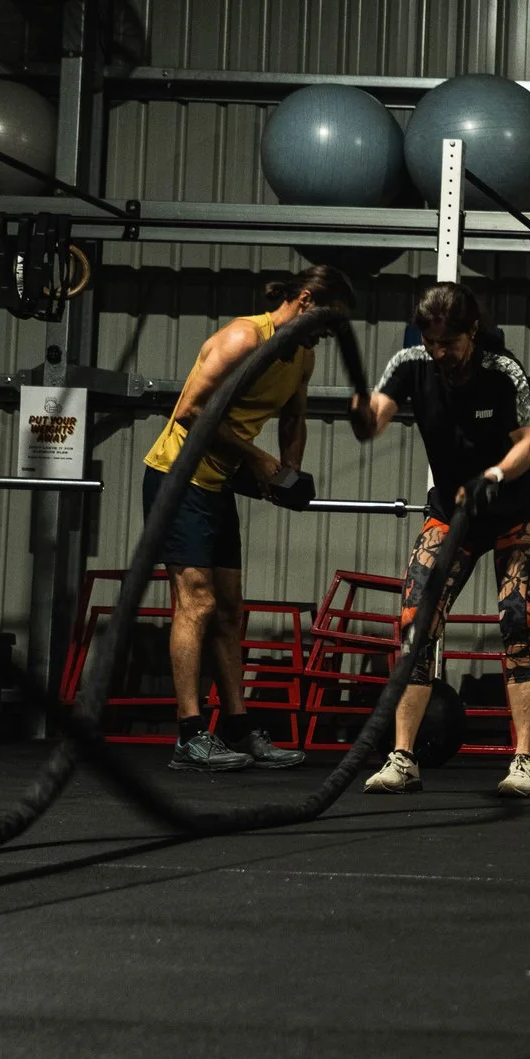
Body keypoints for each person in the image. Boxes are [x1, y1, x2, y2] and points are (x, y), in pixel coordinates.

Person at [138, 264, 354, 772]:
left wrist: (289, 473)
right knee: (197, 601)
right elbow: (189, 411)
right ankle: (190, 736)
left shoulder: (302, 356)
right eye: (325, 322)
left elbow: (294, 418)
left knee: (230, 610)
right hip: (177, 476)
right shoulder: (241, 337)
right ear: (303, 301)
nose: (326, 335)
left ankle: (237, 727)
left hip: (217, 484)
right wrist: (260, 462)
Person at [350, 282, 530, 799]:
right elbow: (376, 417)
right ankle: (402, 759)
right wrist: (363, 414)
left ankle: (525, 761)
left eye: (450, 343)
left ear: (472, 333)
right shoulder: (411, 364)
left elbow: (529, 446)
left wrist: (493, 477)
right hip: (450, 514)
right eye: (432, 343)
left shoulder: (502, 371)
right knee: (416, 623)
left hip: (515, 513)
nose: (441, 354)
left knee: (516, 623)